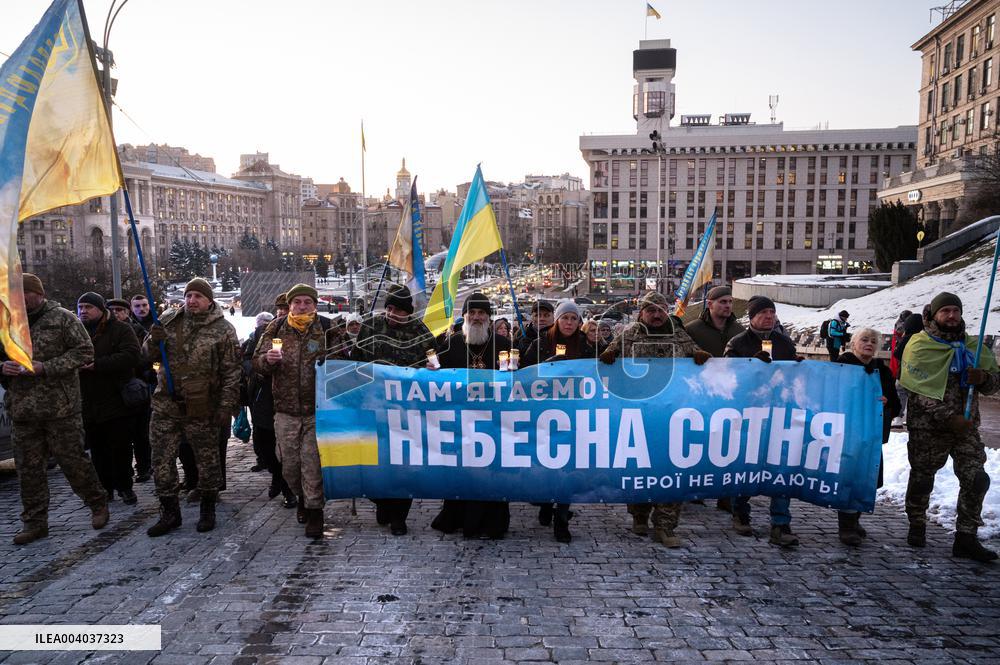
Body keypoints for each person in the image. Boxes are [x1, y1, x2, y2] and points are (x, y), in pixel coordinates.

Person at [2, 274, 110, 545]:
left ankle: (97, 502)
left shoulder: (62, 318)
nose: (19, 299)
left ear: (38, 294)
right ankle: (35, 522)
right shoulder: (8, 321)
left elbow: (85, 352)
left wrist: (46, 367)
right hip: (22, 409)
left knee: (73, 461)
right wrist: (2, 366)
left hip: (60, 408)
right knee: (28, 469)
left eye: (24, 294)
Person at [599, 291, 710, 549]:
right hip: (640, 415)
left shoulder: (678, 334)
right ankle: (639, 514)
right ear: (642, 314)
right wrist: (608, 357)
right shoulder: (629, 334)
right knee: (640, 469)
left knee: (672, 471)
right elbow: (608, 356)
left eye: (661, 310)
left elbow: (696, 354)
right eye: (652, 311)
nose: (657, 315)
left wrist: (701, 357)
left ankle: (666, 525)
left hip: (672, 415)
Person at [900, 292, 999, 562]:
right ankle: (917, 523)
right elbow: (916, 391)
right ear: (933, 315)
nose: (952, 316)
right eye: (945, 311)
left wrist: (984, 378)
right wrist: (947, 417)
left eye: (955, 310)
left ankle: (966, 537)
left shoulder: (974, 347)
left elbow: (994, 384)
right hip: (928, 427)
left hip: (965, 428)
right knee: (922, 478)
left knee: (977, 479)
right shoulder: (919, 345)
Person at [144, 278, 241, 537]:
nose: (192, 300)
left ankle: (207, 508)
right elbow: (147, 356)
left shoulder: (223, 329)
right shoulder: (169, 321)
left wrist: (226, 405)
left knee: (207, 461)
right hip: (166, 404)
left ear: (209, 300)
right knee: (161, 460)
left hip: (202, 406)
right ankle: (169, 512)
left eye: (198, 296)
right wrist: (154, 341)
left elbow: (231, 371)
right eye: (189, 296)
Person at [254, 284, 347, 538]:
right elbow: (257, 361)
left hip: (317, 411)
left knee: (311, 463)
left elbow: (345, 361)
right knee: (290, 466)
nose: (302, 306)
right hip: (285, 410)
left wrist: (333, 361)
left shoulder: (328, 328)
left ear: (315, 304)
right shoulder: (276, 327)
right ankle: (303, 498)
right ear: (291, 304)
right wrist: (267, 362)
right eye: (298, 302)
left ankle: (315, 512)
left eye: (307, 302)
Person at [352, 284, 436, 535]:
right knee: (374, 463)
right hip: (374, 408)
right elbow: (356, 361)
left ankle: (399, 515)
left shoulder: (422, 333)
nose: (392, 313)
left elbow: (434, 364)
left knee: (403, 465)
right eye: (388, 308)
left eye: (398, 310)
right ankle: (383, 501)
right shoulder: (371, 327)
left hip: (406, 411)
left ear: (408, 312)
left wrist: (432, 369)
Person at [431, 292, 512, 539]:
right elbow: (436, 376)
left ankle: (492, 522)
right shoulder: (453, 343)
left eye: (482, 314)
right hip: (460, 422)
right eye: (472, 313)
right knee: (461, 473)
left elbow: (513, 380)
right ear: (464, 316)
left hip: (494, 422)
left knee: (494, 474)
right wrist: (430, 370)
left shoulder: (503, 345)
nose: (476, 318)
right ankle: (458, 518)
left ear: (489, 317)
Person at [724, 296, 801, 547]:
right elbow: (727, 378)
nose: (769, 316)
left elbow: (795, 380)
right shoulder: (737, 343)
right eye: (764, 312)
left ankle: (781, 523)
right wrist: (751, 367)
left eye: (772, 312)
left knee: (781, 470)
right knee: (746, 466)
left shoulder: (784, 343)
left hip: (779, 415)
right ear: (752, 316)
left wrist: (800, 368)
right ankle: (740, 512)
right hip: (749, 416)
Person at [523, 300, 596, 543]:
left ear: (579, 323)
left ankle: (562, 518)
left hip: (573, 416)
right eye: (565, 318)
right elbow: (523, 374)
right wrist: (543, 369)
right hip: (543, 415)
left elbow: (596, 375)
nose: (569, 323)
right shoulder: (540, 343)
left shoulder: (586, 346)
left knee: (568, 469)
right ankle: (545, 502)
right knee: (544, 464)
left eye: (574, 319)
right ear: (557, 319)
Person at [834, 328, 901, 546]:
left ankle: (854, 519)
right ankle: (846, 525)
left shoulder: (881, 371)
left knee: (866, 479)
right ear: (854, 343)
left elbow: (896, 404)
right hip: (847, 432)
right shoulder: (840, 366)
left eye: (873, 341)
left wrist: (886, 401)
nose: (869, 344)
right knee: (849, 478)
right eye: (864, 339)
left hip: (870, 435)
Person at [77, 292, 142, 506]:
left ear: (100, 309)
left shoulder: (121, 329)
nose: (83, 311)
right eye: (81, 307)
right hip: (89, 401)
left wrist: (98, 364)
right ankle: (105, 489)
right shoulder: (76, 330)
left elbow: (132, 355)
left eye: (88, 307)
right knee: (97, 449)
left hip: (117, 399)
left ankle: (125, 486)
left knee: (120, 446)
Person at [684, 284, 745, 513]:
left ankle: (725, 493)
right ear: (710, 304)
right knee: (699, 442)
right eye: (723, 302)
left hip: (730, 396)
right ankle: (696, 488)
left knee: (727, 445)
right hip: (699, 395)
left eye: (730, 302)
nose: (728, 306)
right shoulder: (693, 330)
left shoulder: (739, 331)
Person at [243, 309, 297, 510]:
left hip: (289, 398)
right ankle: (276, 474)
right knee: (265, 445)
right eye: (281, 308)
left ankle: (288, 489)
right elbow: (248, 359)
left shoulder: (302, 332)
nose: (284, 312)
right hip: (264, 396)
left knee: (285, 446)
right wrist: (259, 369)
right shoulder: (262, 334)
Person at [128, 294, 156, 483]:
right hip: (134, 384)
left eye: (144, 305)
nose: (141, 309)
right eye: (137, 306)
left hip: (152, 381)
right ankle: (141, 465)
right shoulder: (128, 327)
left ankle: (148, 463)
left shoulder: (157, 325)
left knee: (148, 428)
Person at [892, 311, 924, 426]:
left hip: (904, 373)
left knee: (900, 393)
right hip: (918, 375)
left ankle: (898, 418)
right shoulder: (924, 339)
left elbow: (897, 354)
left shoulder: (908, 337)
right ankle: (912, 418)